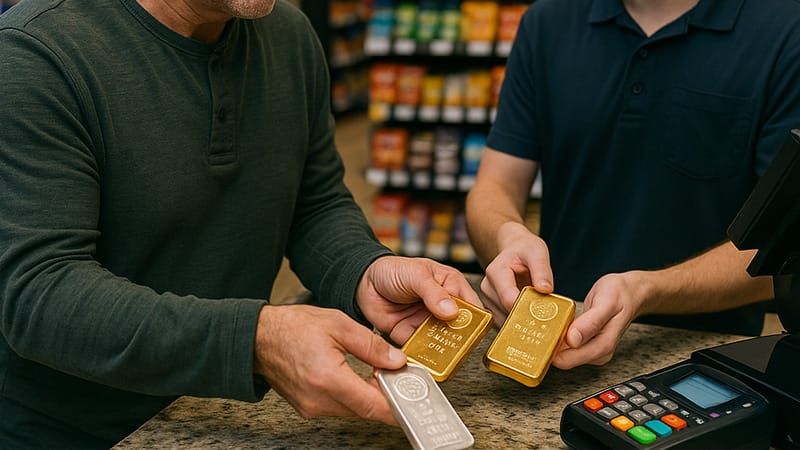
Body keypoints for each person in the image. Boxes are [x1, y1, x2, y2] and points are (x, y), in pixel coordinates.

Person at [0, 0, 482, 447]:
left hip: (222, 420)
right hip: (76, 433)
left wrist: (363, 270)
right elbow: (40, 291)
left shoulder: (289, 35)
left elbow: (313, 204)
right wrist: (254, 340)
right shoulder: (35, 56)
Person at [467, 0, 800, 370]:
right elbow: (493, 186)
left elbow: (786, 250)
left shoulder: (786, 29)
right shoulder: (547, 21)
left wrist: (648, 290)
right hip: (552, 348)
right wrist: (506, 236)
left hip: (704, 364)